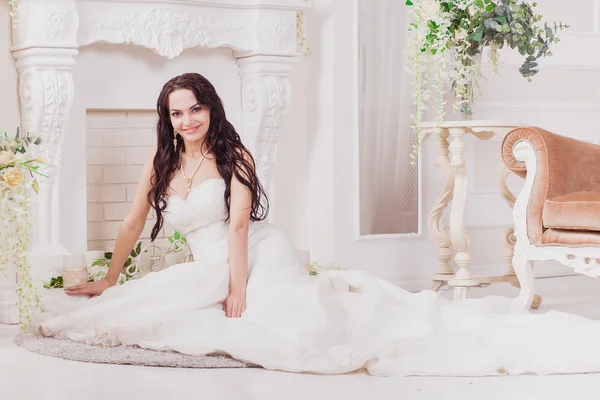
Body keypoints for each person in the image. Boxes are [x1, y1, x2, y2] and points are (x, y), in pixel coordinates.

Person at [32, 73, 600, 377]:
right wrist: (110, 277)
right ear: (169, 119)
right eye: (177, 112)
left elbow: (235, 230)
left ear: (212, 108)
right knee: (136, 303)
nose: (188, 120)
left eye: (196, 108)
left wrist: (237, 289)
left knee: (293, 324)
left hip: (253, 252)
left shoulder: (237, 156)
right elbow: (133, 221)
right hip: (209, 258)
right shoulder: (162, 162)